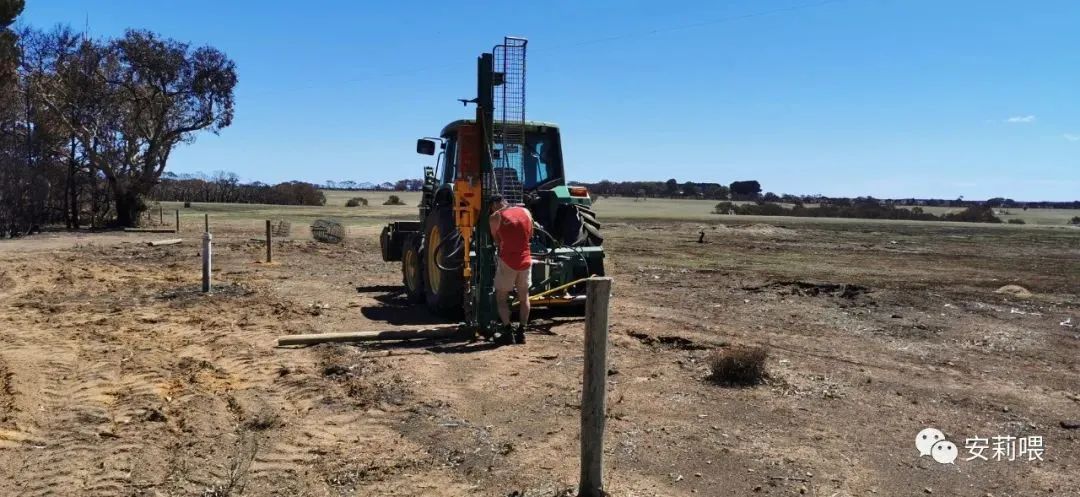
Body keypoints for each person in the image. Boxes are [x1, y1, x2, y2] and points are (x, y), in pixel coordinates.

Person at [489, 194, 533, 344]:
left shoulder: (495, 217)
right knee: (524, 298)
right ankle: (522, 332)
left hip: (508, 261)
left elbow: (496, 240)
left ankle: (508, 331)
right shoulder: (525, 212)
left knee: (501, 297)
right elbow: (530, 234)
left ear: (495, 205)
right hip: (526, 260)